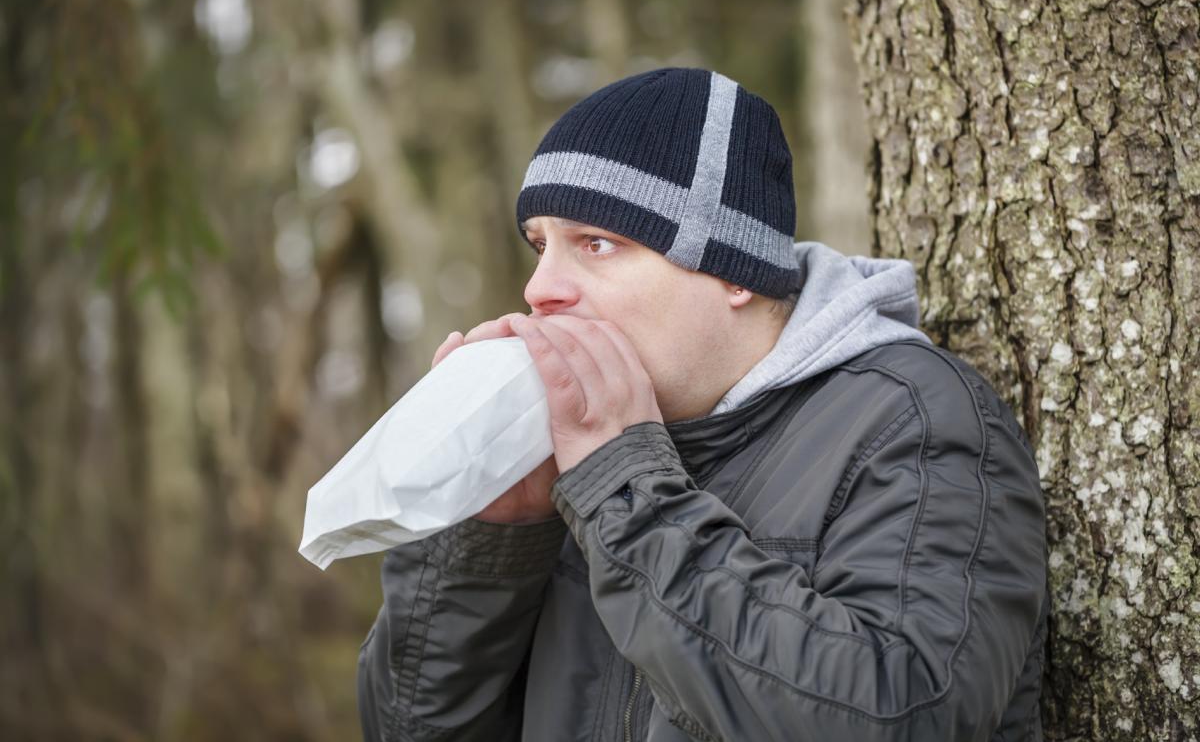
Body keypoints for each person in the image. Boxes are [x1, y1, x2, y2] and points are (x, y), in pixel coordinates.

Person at [357, 68, 1047, 741]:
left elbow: (903, 714)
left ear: (733, 268)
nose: (541, 288)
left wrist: (625, 491)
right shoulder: (560, 454)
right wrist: (489, 537)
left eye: (597, 243)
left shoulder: (912, 419)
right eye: (541, 245)